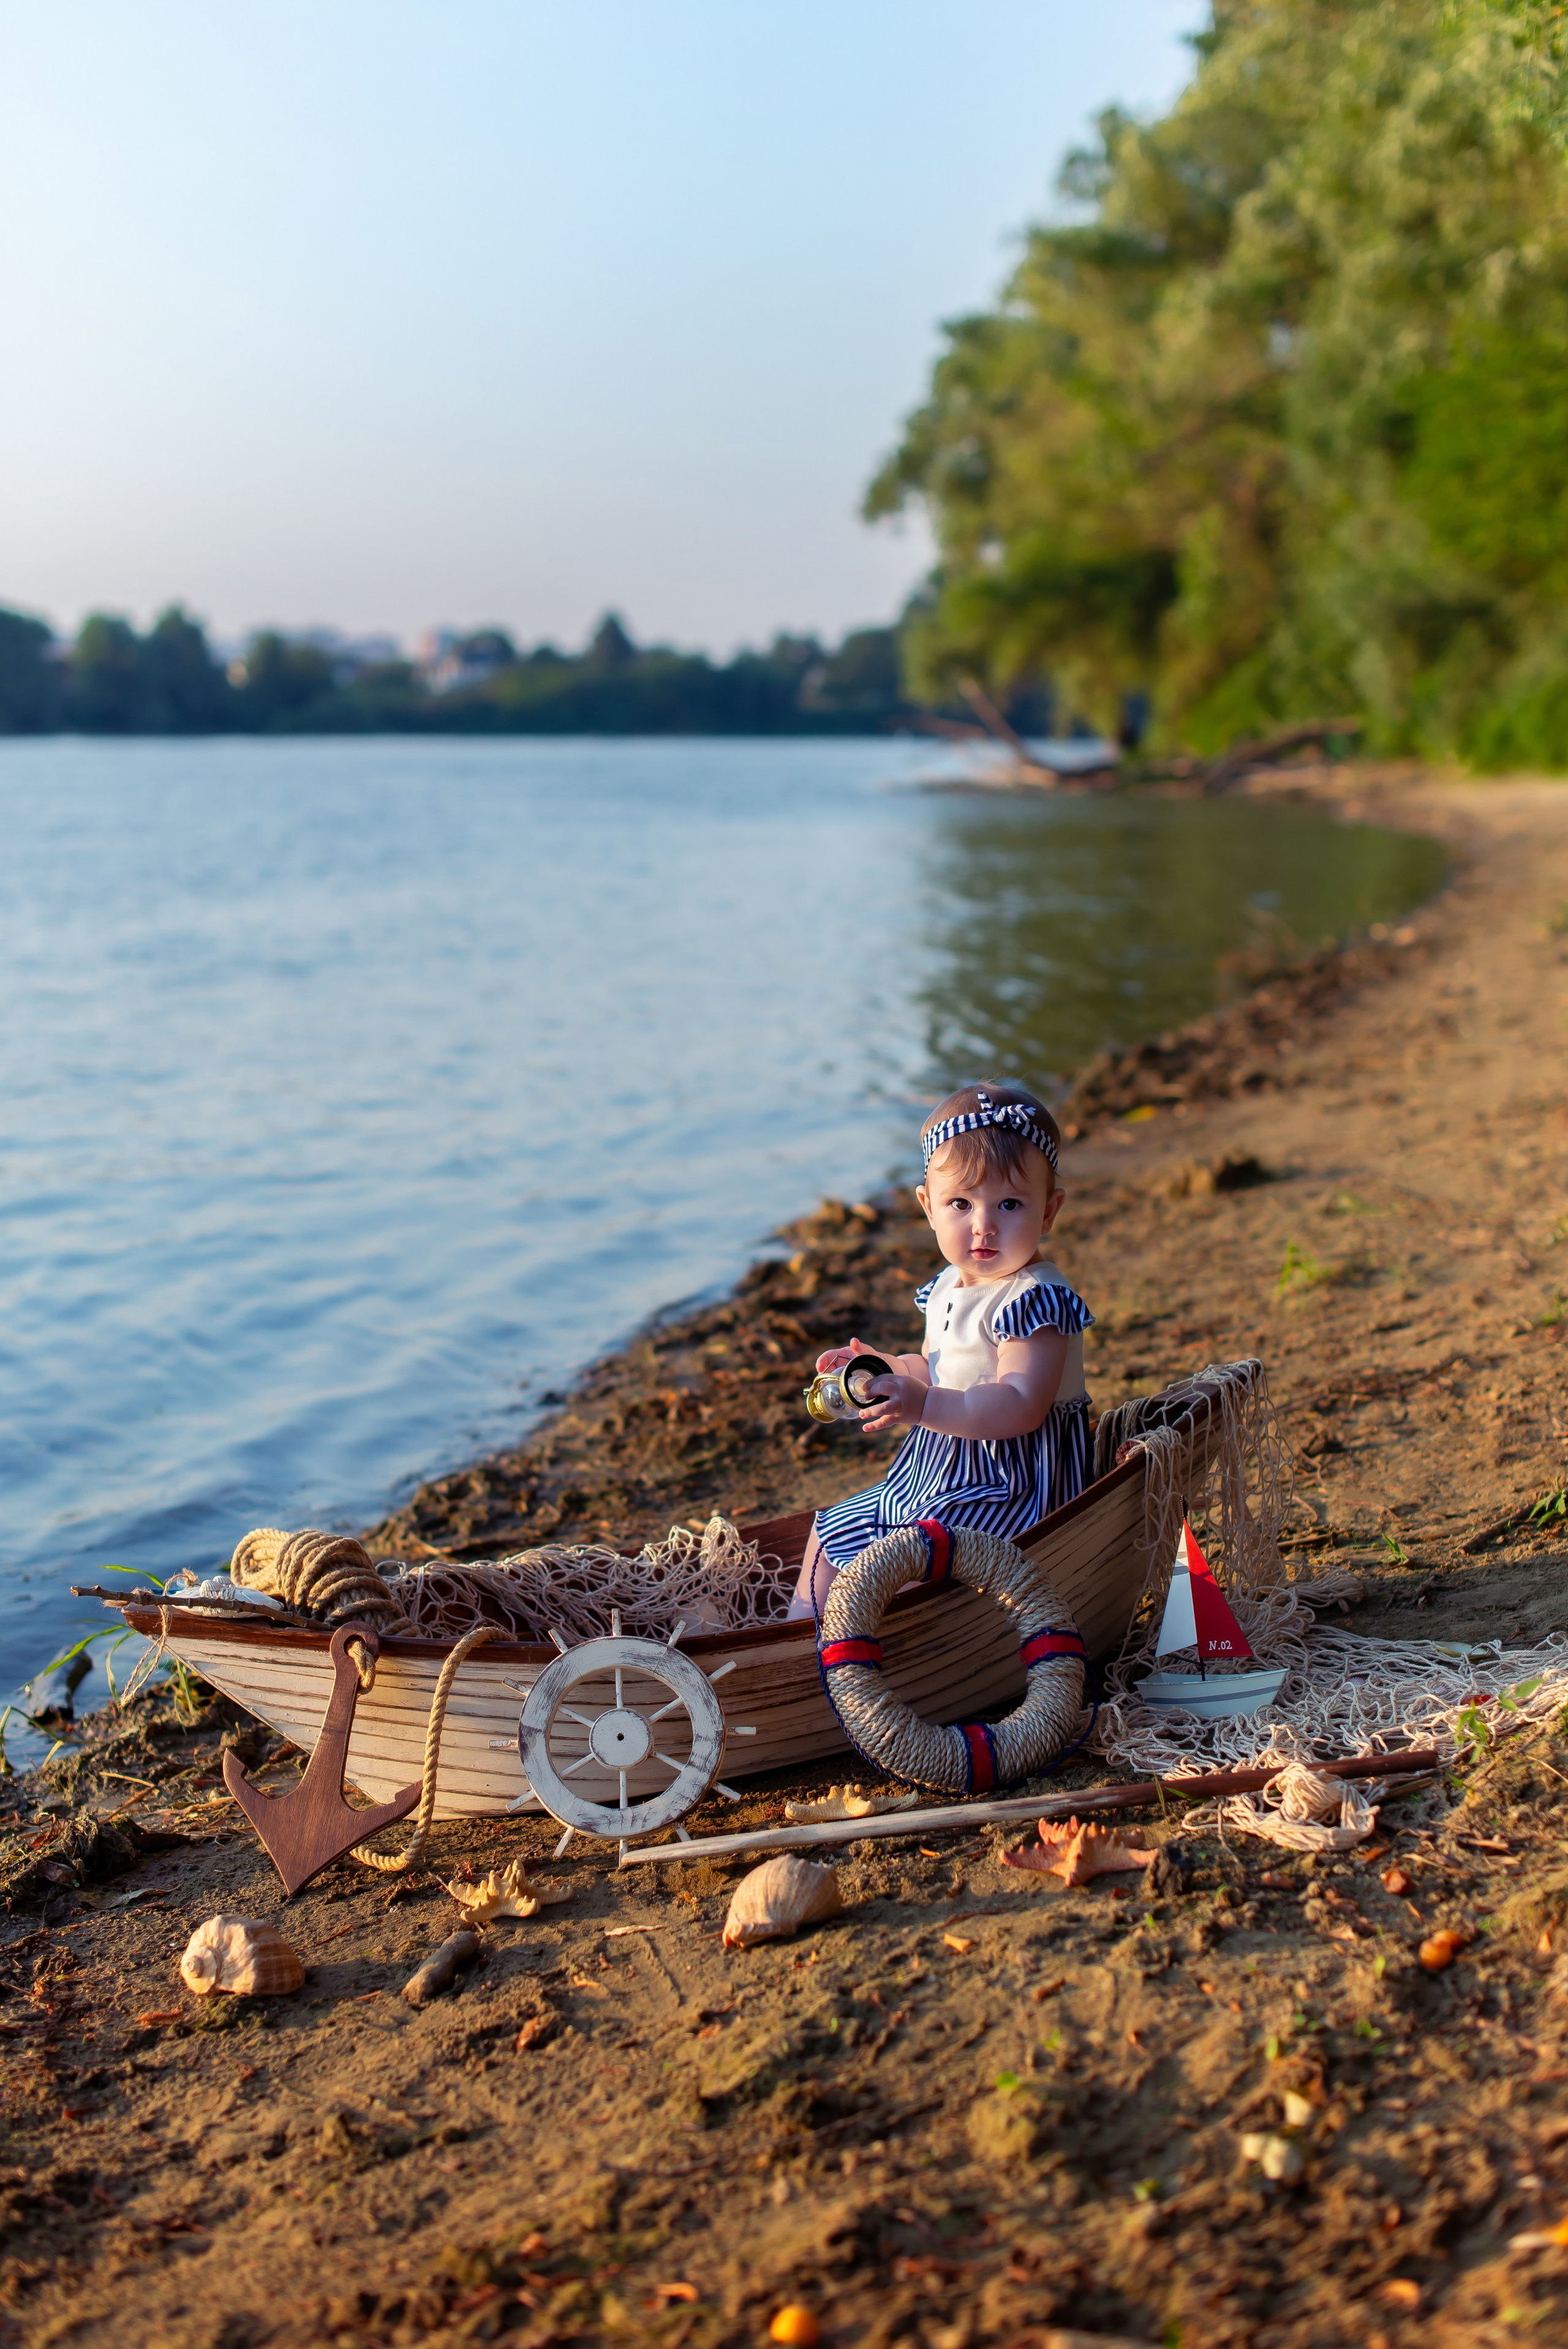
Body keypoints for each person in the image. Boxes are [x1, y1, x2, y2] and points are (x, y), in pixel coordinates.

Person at [786, 1080, 1094, 1619]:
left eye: (1010, 1203)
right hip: (937, 1470)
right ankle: (797, 1636)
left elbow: (1021, 1403)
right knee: (832, 1530)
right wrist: (887, 1371)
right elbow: (935, 1366)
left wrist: (924, 1406)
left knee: (908, 1566)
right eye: (960, 1203)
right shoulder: (948, 1286)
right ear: (928, 1206)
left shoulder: (1037, 1299)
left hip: (1015, 1481)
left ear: (1048, 1211)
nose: (984, 1224)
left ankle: (895, 1650)